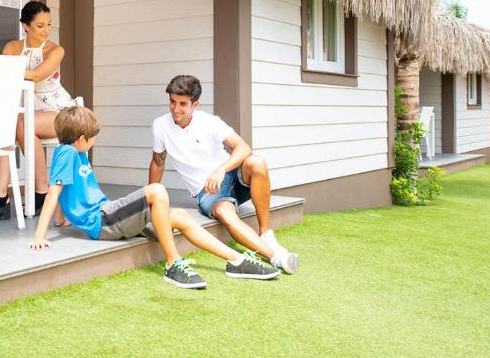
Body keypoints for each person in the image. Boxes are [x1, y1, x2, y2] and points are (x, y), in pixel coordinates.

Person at [30, 105, 281, 288]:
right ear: (81, 139)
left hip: (109, 213)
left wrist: (62, 221)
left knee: (180, 216)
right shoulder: (66, 152)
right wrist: (40, 235)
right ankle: (173, 264)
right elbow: (55, 191)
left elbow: (69, 191)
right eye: (93, 138)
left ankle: (236, 260)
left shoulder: (78, 152)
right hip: (103, 220)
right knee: (157, 191)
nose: (94, 142)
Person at [150, 75, 299, 274]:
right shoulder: (160, 126)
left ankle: (265, 232)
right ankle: (276, 257)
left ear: (195, 104)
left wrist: (221, 170)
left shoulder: (209, 122)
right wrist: (150, 200)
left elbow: (243, 147)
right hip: (208, 190)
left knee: (257, 162)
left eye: (183, 104)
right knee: (226, 214)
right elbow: (158, 162)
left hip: (228, 175)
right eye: (172, 102)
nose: (176, 109)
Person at [0, 1, 76, 223]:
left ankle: (36, 191)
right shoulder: (12, 47)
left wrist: (7, 70)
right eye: (40, 25)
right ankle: (2, 196)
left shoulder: (55, 50)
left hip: (60, 111)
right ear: (25, 25)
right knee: (13, 126)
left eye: (49, 25)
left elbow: (38, 75)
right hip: (28, 114)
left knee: (19, 124)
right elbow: (5, 78)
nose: (47, 30)